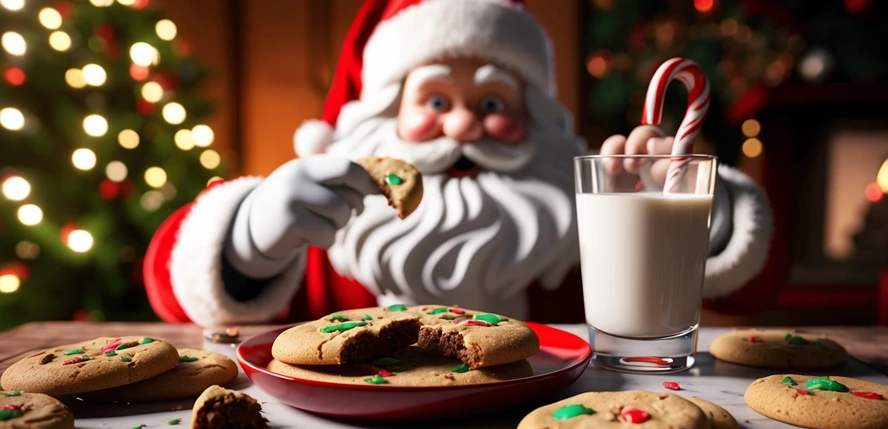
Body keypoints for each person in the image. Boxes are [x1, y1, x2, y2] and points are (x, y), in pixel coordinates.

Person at [143, 0, 773, 327]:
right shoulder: (322, 224)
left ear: (537, 121)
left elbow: (759, 291)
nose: (466, 125)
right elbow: (169, 289)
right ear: (382, 116)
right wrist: (246, 240)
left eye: (494, 102)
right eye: (436, 100)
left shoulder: (594, 228)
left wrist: (696, 216)